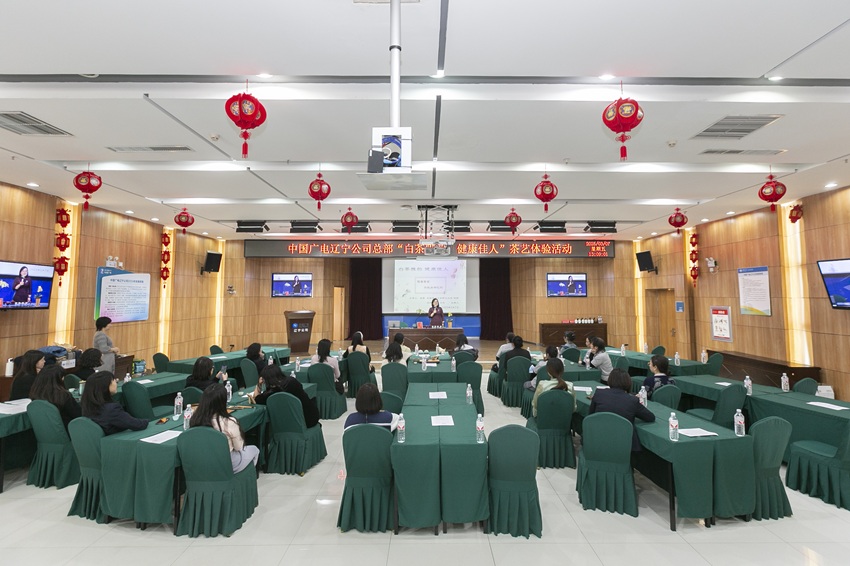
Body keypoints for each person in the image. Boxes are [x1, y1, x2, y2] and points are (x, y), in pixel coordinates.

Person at [190, 383, 260, 473]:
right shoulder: (229, 422)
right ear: (223, 402)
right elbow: (239, 447)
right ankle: (243, 478)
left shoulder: (195, 419)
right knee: (254, 450)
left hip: (201, 462)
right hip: (226, 462)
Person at [589, 368, 655, 451]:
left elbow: (591, 415)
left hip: (597, 440)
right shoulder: (632, 400)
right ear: (628, 382)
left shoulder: (599, 393)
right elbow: (650, 417)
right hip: (623, 445)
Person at [81, 371, 148, 435]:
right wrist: (149, 421)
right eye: (113, 380)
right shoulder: (112, 410)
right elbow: (137, 425)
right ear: (106, 386)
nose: (116, 381)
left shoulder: (88, 406)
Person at [252, 365, 320, 428]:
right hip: (312, 415)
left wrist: (259, 385)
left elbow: (257, 399)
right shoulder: (292, 380)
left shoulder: (274, 392)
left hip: (299, 422)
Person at [29, 365, 81, 430]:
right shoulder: (63, 395)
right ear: (59, 379)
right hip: (69, 430)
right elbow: (78, 415)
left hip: (46, 430)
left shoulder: (35, 393)